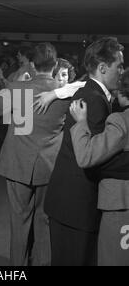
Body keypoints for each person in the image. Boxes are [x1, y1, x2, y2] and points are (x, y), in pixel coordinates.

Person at [44, 37, 124, 266]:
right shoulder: (93, 99)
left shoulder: (93, 93)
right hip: (75, 205)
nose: (122, 72)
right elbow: (93, 156)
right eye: (119, 66)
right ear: (102, 68)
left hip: (69, 202)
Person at [0, 42, 69, 266]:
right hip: (49, 164)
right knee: (44, 220)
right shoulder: (65, 93)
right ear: (55, 65)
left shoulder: (17, 88)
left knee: (19, 221)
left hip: (18, 162)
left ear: (33, 65)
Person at [69, 68, 129, 266]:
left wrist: (81, 123)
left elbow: (86, 156)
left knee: (113, 259)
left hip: (120, 204)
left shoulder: (121, 121)